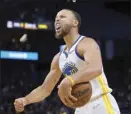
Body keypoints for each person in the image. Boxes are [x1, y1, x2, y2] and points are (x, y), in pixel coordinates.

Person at [14, 9, 120, 114]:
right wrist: (25, 100)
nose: (57, 20)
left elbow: (95, 68)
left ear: (75, 23)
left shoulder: (87, 43)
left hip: (100, 103)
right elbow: (45, 89)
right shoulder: (58, 58)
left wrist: (69, 80)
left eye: (62, 17)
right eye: (55, 19)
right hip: (80, 108)